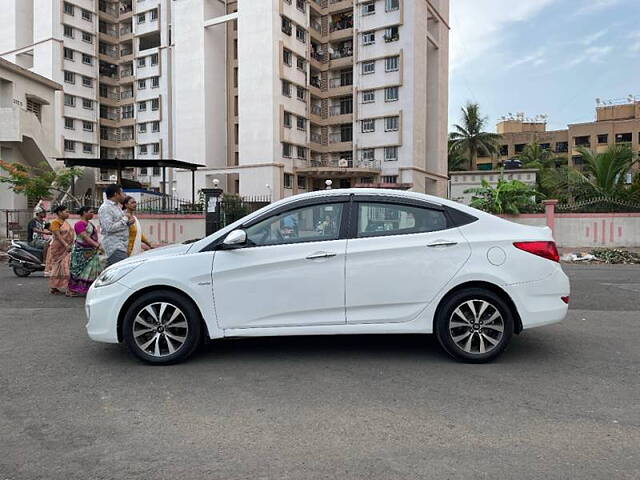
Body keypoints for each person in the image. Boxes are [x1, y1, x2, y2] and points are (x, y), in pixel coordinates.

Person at [68, 207, 104, 297]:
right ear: (84, 212)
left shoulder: (90, 224)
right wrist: (97, 245)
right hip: (81, 251)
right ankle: (72, 290)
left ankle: (88, 289)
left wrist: (97, 245)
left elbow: (94, 237)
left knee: (91, 271)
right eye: (91, 212)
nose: (93, 214)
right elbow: (85, 237)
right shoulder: (79, 224)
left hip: (91, 251)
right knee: (78, 271)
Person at [98, 184, 134, 267]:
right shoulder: (105, 208)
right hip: (114, 247)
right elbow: (109, 228)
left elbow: (119, 224)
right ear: (115, 194)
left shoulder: (116, 207)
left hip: (121, 246)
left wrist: (128, 223)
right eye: (121, 193)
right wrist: (125, 219)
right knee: (123, 271)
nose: (124, 195)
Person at [48, 205, 74, 295]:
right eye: (66, 211)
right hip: (59, 247)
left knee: (61, 267)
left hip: (66, 247)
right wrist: (66, 245)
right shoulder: (55, 223)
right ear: (59, 213)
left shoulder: (65, 223)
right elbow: (58, 236)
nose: (68, 213)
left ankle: (54, 286)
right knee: (63, 267)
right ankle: (68, 288)